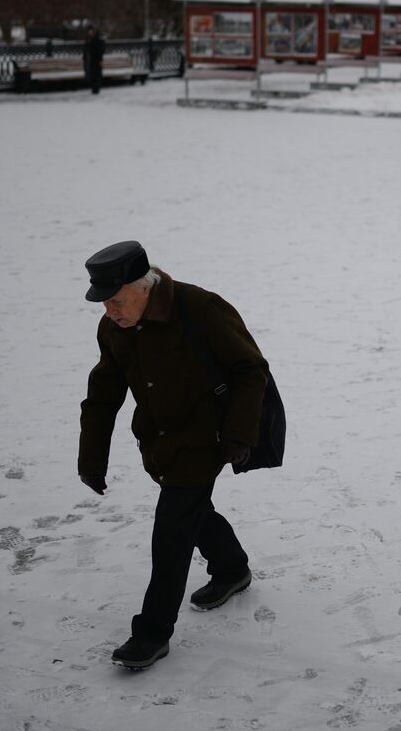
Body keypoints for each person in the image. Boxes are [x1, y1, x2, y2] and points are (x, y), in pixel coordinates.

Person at [78, 241, 269, 670]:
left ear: (141, 287)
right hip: (159, 442)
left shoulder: (199, 308)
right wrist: (91, 459)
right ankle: (232, 568)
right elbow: (102, 396)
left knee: (171, 533)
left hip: (207, 438)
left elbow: (249, 368)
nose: (109, 310)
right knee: (192, 512)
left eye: (115, 299)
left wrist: (240, 433)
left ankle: (151, 634)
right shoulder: (114, 329)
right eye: (104, 302)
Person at [84, 26, 106, 94]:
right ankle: (94, 89)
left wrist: (100, 60)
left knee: (97, 75)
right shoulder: (88, 39)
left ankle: (96, 89)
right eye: (89, 31)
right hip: (91, 60)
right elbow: (86, 49)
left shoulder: (97, 39)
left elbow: (100, 50)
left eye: (91, 31)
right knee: (92, 75)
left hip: (96, 60)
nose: (90, 32)